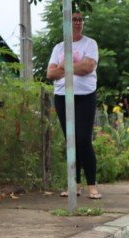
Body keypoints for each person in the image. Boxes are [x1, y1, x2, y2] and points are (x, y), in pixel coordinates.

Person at [46, 11, 101, 199]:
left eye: (80, 19)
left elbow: (87, 68)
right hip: (62, 95)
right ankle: (75, 184)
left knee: (83, 139)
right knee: (71, 139)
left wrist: (63, 68)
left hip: (85, 95)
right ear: (66, 23)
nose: (77, 22)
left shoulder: (90, 44)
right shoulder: (59, 47)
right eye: (73, 19)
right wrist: (71, 68)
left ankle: (92, 186)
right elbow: (50, 74)